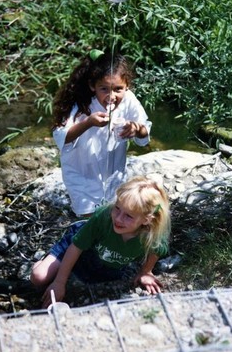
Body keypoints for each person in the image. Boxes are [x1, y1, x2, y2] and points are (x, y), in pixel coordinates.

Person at [31, 176, 170, 308]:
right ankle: (43, 263)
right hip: (80, 245)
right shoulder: (103, 217)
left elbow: (157, 250)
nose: (118, 219)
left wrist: (145, 271)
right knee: (39, 278)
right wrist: (59, 282)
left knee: (94, 281)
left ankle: (69, 270)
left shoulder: (152, 234)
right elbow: (76, 247)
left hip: (105, 260)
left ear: (147, 220)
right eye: (117, 208)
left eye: (128, 216)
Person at [52, 51, 152, 217]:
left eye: (118, 89)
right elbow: (60, 136)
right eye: (104, 89)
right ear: (93, 86)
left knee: (110, 218)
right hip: (81, 175)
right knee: (89, 220)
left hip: (114, 175)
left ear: (127, 86)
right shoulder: (81, 103)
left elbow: (145, 131)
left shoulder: (129, 100)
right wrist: (88, 123)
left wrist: (136, 129)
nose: (111, 97)